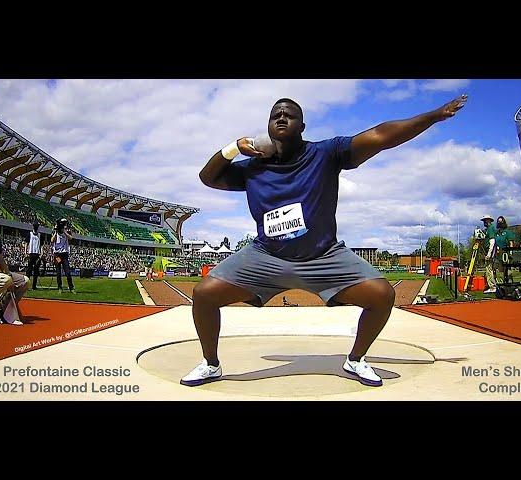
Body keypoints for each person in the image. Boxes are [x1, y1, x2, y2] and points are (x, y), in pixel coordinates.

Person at [181, 94, 468, 387]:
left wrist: (434, 116)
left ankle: (355, 360)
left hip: (324, 256)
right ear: (267, 126)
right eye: (275, 115)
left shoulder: (326, 153)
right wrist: (233, 147)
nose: (281, 118)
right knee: (204, 294)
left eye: (289, 115)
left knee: (382, 295)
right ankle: (210, 364)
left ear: (302, 126)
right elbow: (208, 177)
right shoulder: (253, 169)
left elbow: (381, 135)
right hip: (266, 256)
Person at [51, 218, 75, 293]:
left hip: (64, 255)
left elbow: (71, 238)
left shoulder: (67, 231)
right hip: (57, 255)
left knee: (67, 272)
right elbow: (52, 240)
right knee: (58, 272)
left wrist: (65, 232)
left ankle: (71, 288)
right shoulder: (55, 231)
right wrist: (56, 232)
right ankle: (59, 287)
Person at [495, 215, 515, 283]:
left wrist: (511, 252)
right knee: (501, 269)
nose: (499, 223)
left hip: (506, 252)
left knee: (508, 269)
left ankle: (510, 282)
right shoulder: (497, 233)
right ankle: (502, 282)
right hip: (499, 253)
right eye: (498, 221)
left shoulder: (507, 232)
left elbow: (511, 243)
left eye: (501, 221)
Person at [480, 214, 497, 294]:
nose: (484, 222)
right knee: (490, 269)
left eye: (485, 221)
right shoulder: (488, 229)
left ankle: (492, 286)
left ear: (489, 221)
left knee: (489, 269)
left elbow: (492, 241)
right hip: (489, 251)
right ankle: (493, 285)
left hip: (490, 251)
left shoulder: (490, 229)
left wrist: (489, 254)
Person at [25, 221, 42, 290]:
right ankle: (26, 285)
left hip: (37, 254)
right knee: (29, 270)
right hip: (31, 253)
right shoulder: (30, 234)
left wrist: (41, 253)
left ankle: (34, 286)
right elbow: (26, 243)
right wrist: (25, 252)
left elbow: (41, 245)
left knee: (36, 271)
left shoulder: (40, 235)